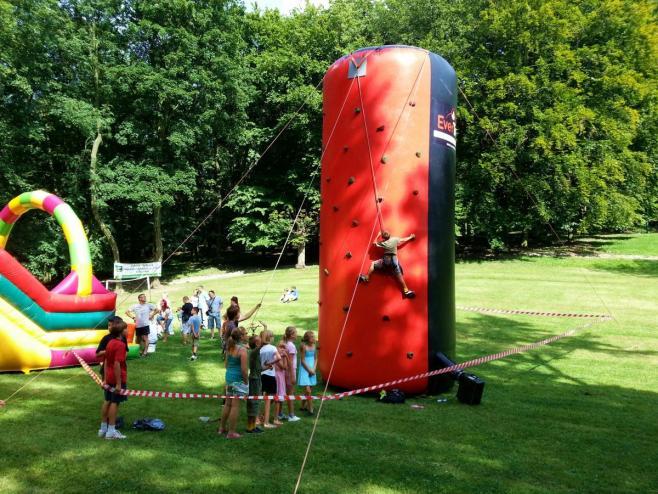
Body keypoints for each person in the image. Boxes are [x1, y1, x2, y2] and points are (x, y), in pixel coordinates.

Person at [359, 231, 416, 299]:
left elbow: (374, 243)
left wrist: (378, 235)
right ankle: (406, 291)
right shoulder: (395, 239)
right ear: (390, 235)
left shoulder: (383, 243)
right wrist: (411, 237)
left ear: (384, 238)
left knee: (373, 264)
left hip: (386, 261)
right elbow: (403, 240)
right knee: (399, 275)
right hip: (394, 261)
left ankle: (367, 278)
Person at [99, 318, 129, 439]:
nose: (128, 330)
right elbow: (117, 364)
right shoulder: (120, 345)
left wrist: (105, 379)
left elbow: (105, 361)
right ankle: (111, 431)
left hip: (109, 376)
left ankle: (103, 429)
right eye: (126, 328)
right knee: (115, 403)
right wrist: (118, 383)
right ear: (121, 331)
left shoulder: (110, 342)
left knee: (107, 400)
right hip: (117, 377)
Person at [219, 327, 248, 439]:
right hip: (238, 380)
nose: (247, 335)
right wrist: (246, 382)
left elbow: (226, 365)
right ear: (241, 337)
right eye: (245, 333)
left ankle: (221, 428)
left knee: (227, 404)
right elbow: (244, 370)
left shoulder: (229, 347)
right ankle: (231, 432)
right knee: (235, 406)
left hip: (229, 378)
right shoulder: (242, 350)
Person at [96, 316, 129, 381]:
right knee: (108, 388)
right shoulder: (106, 338)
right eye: (108, 325)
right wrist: (110, 352)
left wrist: (122, 359)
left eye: (111, 325)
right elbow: (98, 353)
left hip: (120, 368)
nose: (109, 327)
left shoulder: (122, 338)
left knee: (120, 388)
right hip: (107, 369)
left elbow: (126, 351)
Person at [259, 329, 281, 429]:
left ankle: (260, 418)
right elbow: (279, 358)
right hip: (270, 375)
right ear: (270, 338)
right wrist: (271, 363)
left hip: (262, 374)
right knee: (268, 399)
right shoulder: (273, 348)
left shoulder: (260, 349)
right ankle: (266, 422)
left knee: (261, 398)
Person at [246, 333, 264, 434]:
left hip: (257, 379)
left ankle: (253, 426)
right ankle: (250, 427)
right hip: (254, 380)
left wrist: (269, 365)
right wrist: (265, 328)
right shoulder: (254, 352)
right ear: (257, 343)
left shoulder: (256, 353)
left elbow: (259, 369)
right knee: (253, 402)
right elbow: (264, 343)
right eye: (259, 340)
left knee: (256, 402)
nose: (261, 341)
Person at [298, 330, 318, 416]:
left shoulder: (314, 345)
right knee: (308, 390)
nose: (314, 339)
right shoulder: (303, 346)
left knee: (309, 389)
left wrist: (313, 369)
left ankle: (302, 406)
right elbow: (302, 360)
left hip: (312, 368)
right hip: (305, 368)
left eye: (314, 337)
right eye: (312, 337)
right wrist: (309, 370)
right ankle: (311, 409)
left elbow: (316, 358)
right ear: (307, 339)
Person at [283, 326, 300, 422]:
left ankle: (280, 413)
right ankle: (291, 415)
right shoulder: (291, 346)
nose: (297, 334)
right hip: (290, 371)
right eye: (296, 332)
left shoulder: (286, 344)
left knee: (283, 393)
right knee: (290, 393)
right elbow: (290, 361)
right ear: (292, 335)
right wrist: (292, 375)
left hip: (286, 372)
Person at [274, 341, 289, 425]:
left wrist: (285, 357)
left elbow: (286, 367)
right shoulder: (277, 356)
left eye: (284, 348)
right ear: (277, 347)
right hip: (277, 377)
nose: (282, 349)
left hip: (281, 377)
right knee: (277, 397)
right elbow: (283, 367)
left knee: (280, 396)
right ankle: (276, 417)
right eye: (281, 347)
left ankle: (279, 413)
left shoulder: (281, 356)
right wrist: (285, 357)